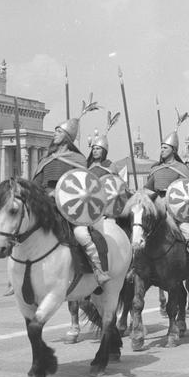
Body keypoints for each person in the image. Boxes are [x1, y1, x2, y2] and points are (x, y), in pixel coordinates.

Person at [32, 116, 110, 285]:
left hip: (70, 209)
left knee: (81, 234)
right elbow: (35, 185)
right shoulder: (46, 159)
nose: (55, 134)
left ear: (67, 136)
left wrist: (60, 195)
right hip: (46, 206)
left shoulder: (78, 160)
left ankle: (98, 268)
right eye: (55, 131)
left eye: (59, 131)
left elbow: (84, 186)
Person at [145, 131, 189, 280]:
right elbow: (148, 190)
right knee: (139, 230)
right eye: (161, 147)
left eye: (165, 148)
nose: (162, 150)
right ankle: (134, 264)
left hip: (175, 208)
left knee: (188, 233)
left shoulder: (182, 169)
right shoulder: (155, 169)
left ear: (173, 150)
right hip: (158, 206)